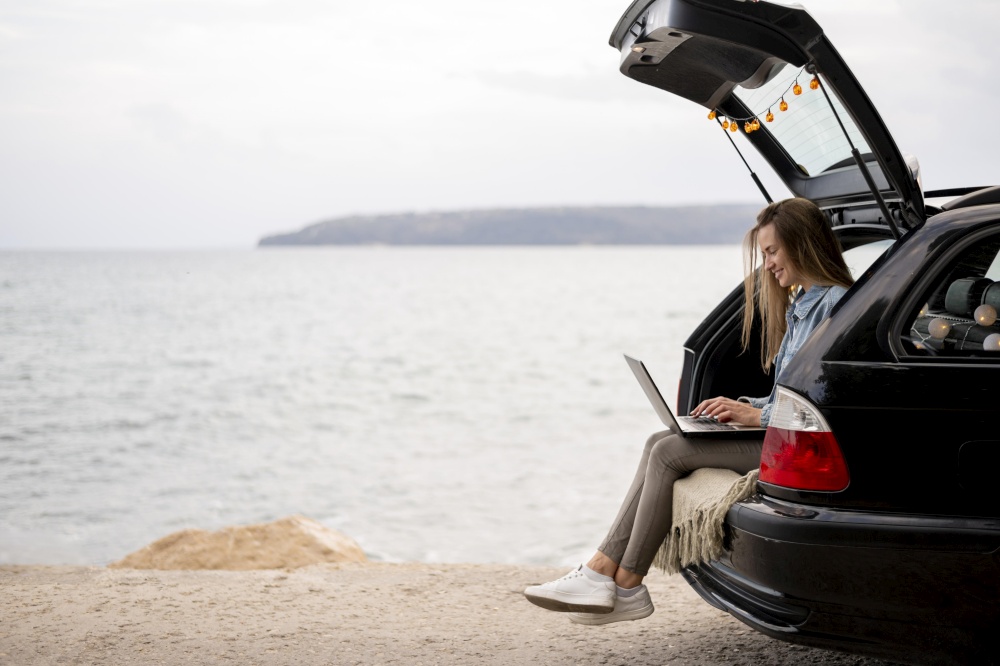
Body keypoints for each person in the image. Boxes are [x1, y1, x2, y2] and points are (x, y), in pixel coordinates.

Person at [523, 197, 855, 625]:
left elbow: (826, 403)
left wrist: (758, 418)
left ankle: (623, 583)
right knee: (658, 440)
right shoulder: (803, 305)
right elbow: (789, 396)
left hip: (799, 446)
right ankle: (602, 572)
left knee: (668, 453)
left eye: (772, 251)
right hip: (779, 431)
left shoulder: (836, 306)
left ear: (801, 243)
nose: (767, 264)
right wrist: (744, 406)